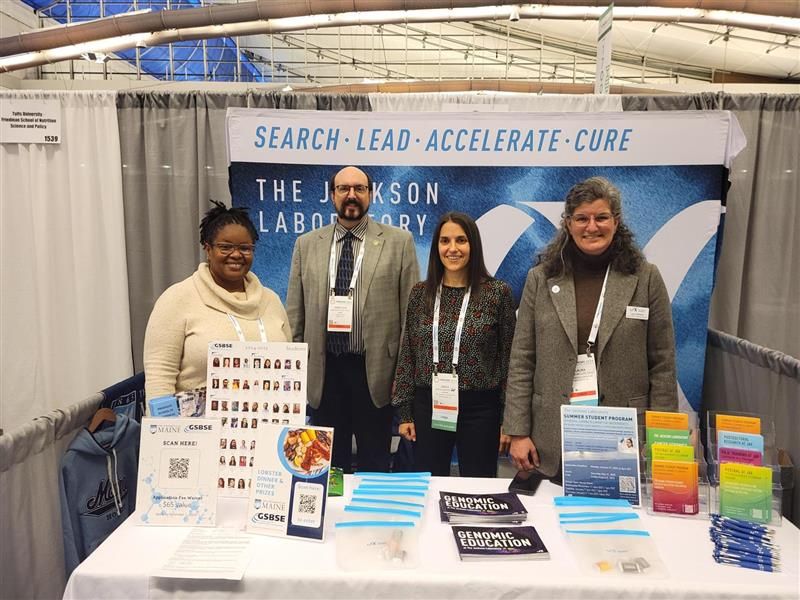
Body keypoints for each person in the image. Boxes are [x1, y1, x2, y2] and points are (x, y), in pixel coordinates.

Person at [504, 177, 678, 478]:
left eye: (601, 217)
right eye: (582, 218)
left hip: (624, 435)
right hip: (552, 436)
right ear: (568, 224)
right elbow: (522, 359)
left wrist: (661, 437)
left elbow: (662, 364)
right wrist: (518, 432)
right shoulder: (541, 279)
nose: (592, 227)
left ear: (617, 221)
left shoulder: (646, 279)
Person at [286, 166, 419, 472]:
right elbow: (295, 314)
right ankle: (331, 517)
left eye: (359, 188)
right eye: (343, 188)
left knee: (374, 461)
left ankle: (370, 519)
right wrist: (295, 372)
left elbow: (411, 316)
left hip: (375, 373)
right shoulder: (307, 244)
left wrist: (403, 375)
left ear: (370, 195)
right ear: (332, 195)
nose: (351, 195)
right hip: (324, 372)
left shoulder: (398, 242)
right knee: (326, 465)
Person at [393, 212, 516, 477]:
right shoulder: (420, 293)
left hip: (481, 409)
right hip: (430, 404)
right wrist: (405, 413)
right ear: (436, 247)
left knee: (478, 486)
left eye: (461, 240)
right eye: (445, 241)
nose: (452, 249)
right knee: (428, 482)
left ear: (473, 245)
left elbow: (509, 360)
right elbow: (408, 354)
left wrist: (509, 419)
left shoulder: (498, 293)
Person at [143, 201, 292, 400]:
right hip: (197, 427)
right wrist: (164, 428)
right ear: (208, 249)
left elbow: (289, 368)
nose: (236, 254)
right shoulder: (177, 299)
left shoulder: (271, 301)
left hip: (267, 423)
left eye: (245, 248)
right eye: (225, 247)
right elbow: (159, 376)